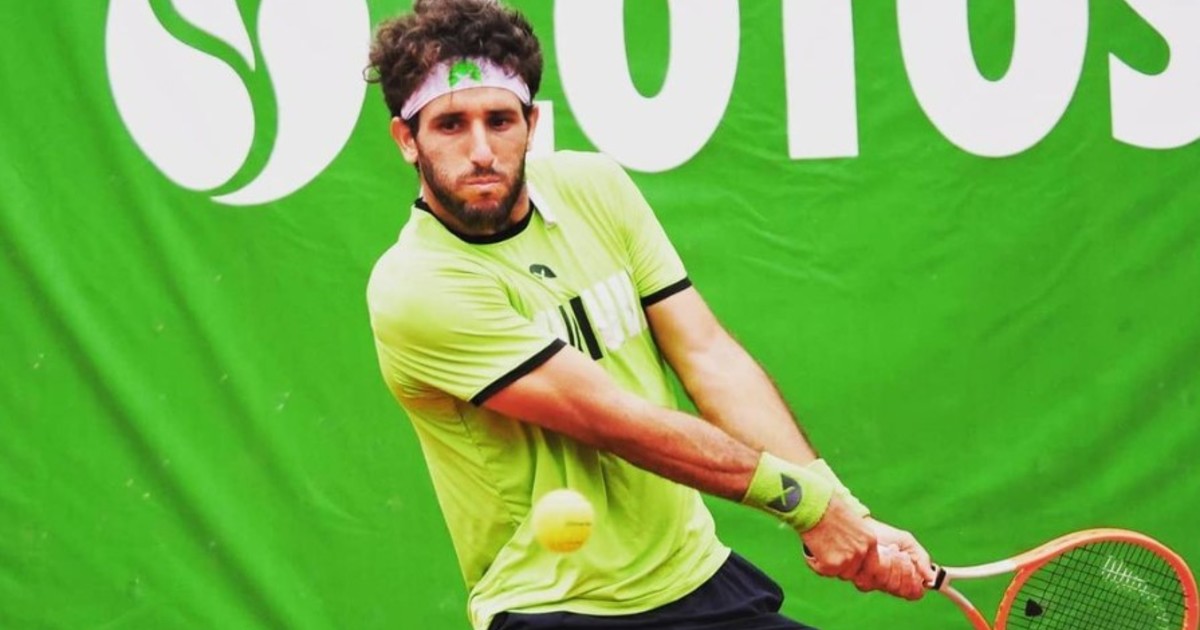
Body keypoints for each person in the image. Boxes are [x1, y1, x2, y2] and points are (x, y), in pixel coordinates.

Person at [364, 1, 935, 628]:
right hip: (556, 607)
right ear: (407, 139)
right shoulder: (415, 287)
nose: (480, 151)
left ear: (531, 122)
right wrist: (809, 506)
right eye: (450, 125)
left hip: (696, 577)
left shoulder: (594, 188)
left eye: (499, 120)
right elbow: (616, 421)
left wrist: (842, 509)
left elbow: (706, 354)